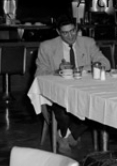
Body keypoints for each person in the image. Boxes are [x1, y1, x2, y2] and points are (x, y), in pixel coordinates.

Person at [35, 15, 111, 150]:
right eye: (65, 33)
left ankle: (65, 135)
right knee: (63, 111)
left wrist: (81, 69)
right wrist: (57, 71)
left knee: (100, 107)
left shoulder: (87, 43)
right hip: (59, 93)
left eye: (72, 31)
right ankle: (70, 134)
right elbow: (39, 75)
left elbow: (106, 64)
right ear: (58, 32)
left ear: (77, 28)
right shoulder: (47, 46)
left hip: (84, 91)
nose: (70, 36)